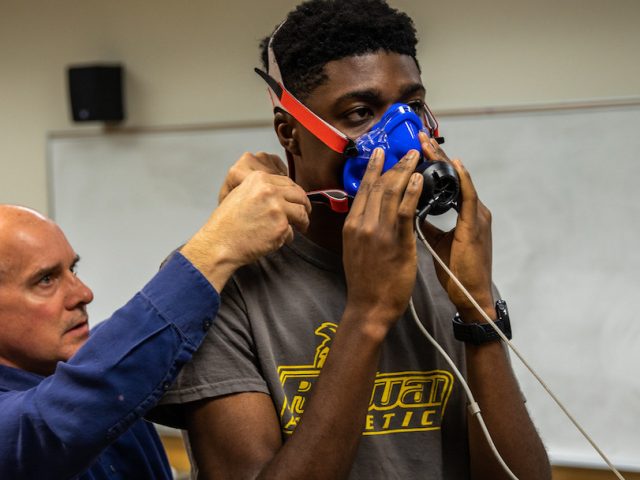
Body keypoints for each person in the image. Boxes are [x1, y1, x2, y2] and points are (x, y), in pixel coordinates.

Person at [152, 1, 552, 478]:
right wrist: (368, 313)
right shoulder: (223, 277)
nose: (404, 136)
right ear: (290, 133)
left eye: (413, 106)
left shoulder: (445, 265)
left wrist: (477, 308)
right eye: (360, 112)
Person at [0, 152, 311, 479]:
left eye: (73, 269)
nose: (83, 294)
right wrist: (217, 246)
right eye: (46, 279)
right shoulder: (83, 389)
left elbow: (146, 336)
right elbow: (72, 408)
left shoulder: (98, 361)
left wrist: (229, 222)